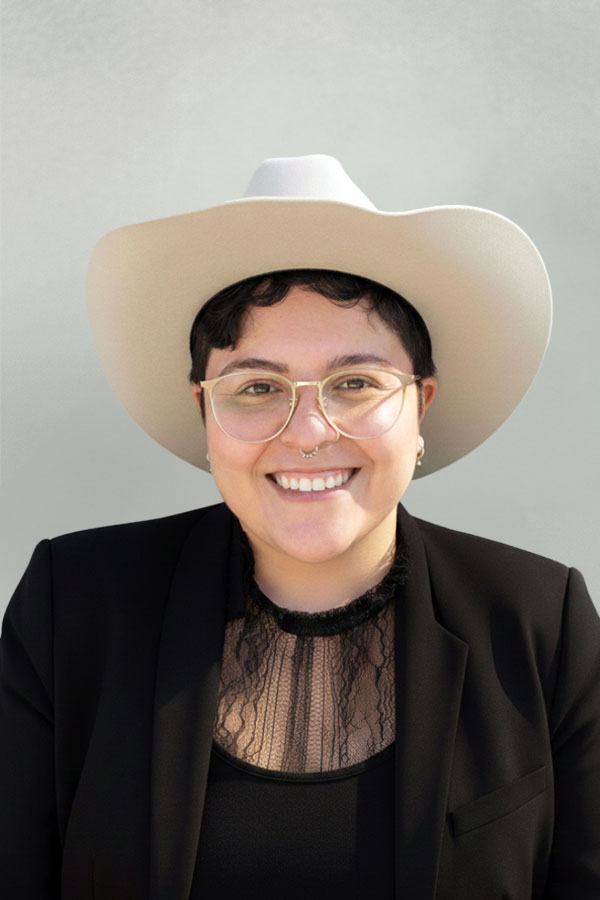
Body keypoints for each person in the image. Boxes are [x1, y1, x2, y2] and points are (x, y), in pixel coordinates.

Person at [1, 155, 599, 900]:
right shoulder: (72, 607)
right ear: (204, 416)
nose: (309, 431)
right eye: (257, 387)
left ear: (422, 407)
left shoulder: (544, 624)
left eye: (355, 383)